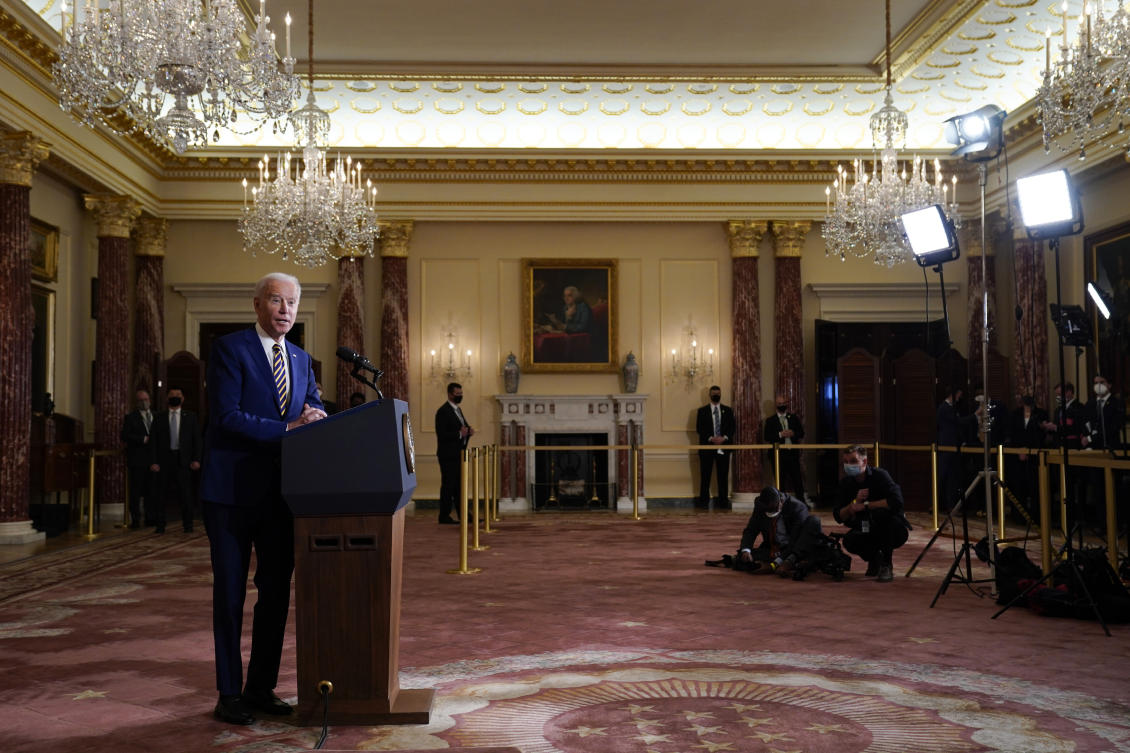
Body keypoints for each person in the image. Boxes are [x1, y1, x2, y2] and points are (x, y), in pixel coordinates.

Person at [199, 272, 326, 725]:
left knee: (274, 595)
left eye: (292, 303)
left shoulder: (302, 359)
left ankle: (260, 688)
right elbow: (226, 417)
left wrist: (317, 415)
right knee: (230, 595)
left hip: (281, 496)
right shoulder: (230, 349)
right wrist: (289, 427)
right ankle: (229, 693)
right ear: (257, 305)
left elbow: (313, 406)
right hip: (231, 495)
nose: (285, 310)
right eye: (276, 300)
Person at [832, 444, 911, 582]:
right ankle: (875, 559)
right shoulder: (845, 483)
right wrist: (851, 507)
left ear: (864, 461)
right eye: (846, 462)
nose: (848, 465)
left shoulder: (880, 475)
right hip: (865, 528)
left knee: (881, 515)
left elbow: (897, 501)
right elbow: (838, 516)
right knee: (850, 541)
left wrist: (866, 506)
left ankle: (886, 564)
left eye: (853, 461)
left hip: (892, 529)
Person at [149, 387, 203, 533]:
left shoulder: (190, 417)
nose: (175, 397)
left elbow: (197, 440)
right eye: (172, 395)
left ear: (183, 399)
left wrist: (197, 459)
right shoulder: (159, 417)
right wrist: (153, 461)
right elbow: (153, 441)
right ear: (167, 399)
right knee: (161, 495)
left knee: (186, 495)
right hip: (164, 461)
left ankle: (188, 525)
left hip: (183, 461)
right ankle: (160, 525)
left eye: (178, 395)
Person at [736, 486, 821, 576]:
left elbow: (794, 540)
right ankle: (780, 563)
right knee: (743, 558)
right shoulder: (760, 505)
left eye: (773, 509)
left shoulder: (797, 508)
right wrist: (746, 550)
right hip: (775, 548)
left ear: (781, 502)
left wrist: (774, 564)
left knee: (814, 522)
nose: (770, 512)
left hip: (795, 548)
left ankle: (791, 563)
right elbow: (751, 530)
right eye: (767, 510)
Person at [435, 382, 473, 524]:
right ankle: (444, 516)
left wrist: (469, 431)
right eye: (457, 394)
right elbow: (442, 434)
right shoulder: (443, 411)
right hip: (448, 455)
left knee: (459, 487)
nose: (460, 396)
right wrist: (460, 433)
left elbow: (463, 427)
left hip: (459, 454)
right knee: (448, 486)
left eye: (461, 394)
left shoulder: (458, 410)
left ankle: (464, 515)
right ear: (450, 394)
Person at [1007, 394, 1049, 520]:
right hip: (1018, 455)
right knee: (1018, 486)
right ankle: (1019, 516)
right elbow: (1012, 433)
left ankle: (1037, 516)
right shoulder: (1015, 414)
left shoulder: (1041, 413)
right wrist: (1020, 450)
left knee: (1035, 486)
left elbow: (1042, 435)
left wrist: (1030, 449)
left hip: (1035, 455)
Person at [936, 385, 977, 512]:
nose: (960, 397)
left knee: (953, 478)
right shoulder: (944, 408)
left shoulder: (952, 408)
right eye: (959, 394)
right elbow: (958, 422)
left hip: (953, 447)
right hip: (947, 447)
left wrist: (962, 441)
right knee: (943, 477)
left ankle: (951, 506)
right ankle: (938, 505)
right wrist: (975, 415)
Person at [695, 385, 735, 508]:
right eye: (714, 394)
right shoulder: (702, 411)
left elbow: (732, 427)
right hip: (707, 449)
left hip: (724, 448)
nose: (716, 395)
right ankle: (703, 502)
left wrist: (724, 438)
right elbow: (699, 428)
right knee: (705, 476)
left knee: (723, 476)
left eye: (718, 393)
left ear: (720, 394)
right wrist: (711, 438)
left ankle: (723, 502)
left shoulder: (728, 410)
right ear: (710, 395)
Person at [120, 389, 155, 529]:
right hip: (137, 460)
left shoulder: (156, 416)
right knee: (135, 491)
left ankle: (150, 517)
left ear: (149, 400)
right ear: (136, 402)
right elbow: (124, 436)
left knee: (151, 490)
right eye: (141, 400)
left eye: (146, 399)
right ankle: (135, 519)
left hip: (153, 460)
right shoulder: (131, 418)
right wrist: (142, 439)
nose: (144, 402)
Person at [763, 393, 806, 501]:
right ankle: (781, 503)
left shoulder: (793, 418)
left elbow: (801, 433)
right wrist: (780, 434)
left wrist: (793, 433)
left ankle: (802, 502)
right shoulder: (770, 420)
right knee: (780, 481)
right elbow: (767, 436)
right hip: (778, 455)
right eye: (779, 403)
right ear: (776, 405)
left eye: (783, 403)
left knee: (797, 480)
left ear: (787, 404)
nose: (781, 405)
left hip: (792, 454)